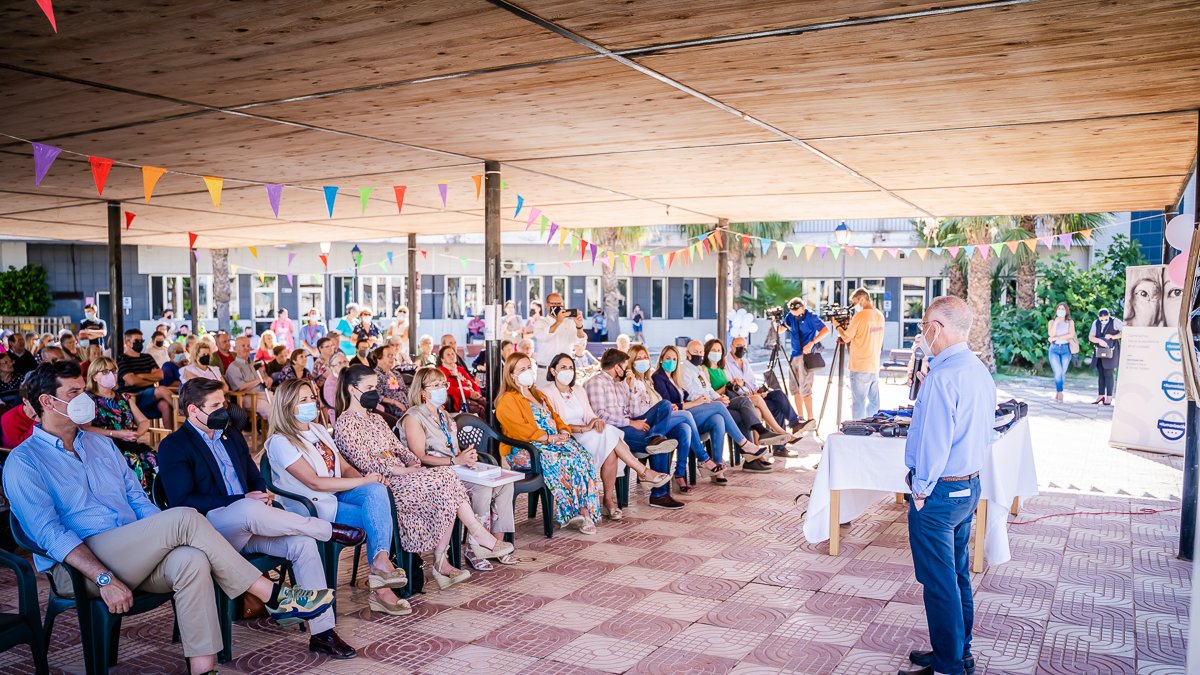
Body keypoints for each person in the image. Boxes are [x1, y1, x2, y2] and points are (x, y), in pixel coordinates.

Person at [4, 362, 335, 674]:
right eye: (74, 393)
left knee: (190, 559)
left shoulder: (101, 446)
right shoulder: (25, 461)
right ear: (47, 401)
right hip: (82, 565)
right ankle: (275, 597)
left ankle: (203, 669)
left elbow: (138, 500)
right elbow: (50, 535)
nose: (86, 399)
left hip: (132, 551)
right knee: (184, 518)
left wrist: (159, 536)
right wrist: (104, 577)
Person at [158, 378, 366, 659]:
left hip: (252, 524)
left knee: (302, 544)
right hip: (212, 530)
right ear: (194, 411)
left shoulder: (229, 435)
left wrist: (258, 493)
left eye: (225, 403)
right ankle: (327, 529)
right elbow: (183, 501)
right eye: (216, 406)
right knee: (247, 509)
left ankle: (323, 633)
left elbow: (254, 476)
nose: (225, 410)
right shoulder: (174, 445)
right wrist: (241, 500)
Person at [333, 365, 513, 588]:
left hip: (404, 475)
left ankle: (445, 559)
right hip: (384, 484)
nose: (374, 393)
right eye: (369, 388)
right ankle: (460, 550)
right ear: (352, 389)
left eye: (375, 387)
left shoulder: (376, 419)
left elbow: (397, 447)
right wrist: (402, 470)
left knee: (447, 483)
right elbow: (365, 463)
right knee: (446, 480)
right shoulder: (346, 422)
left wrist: (411, 461)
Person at [901, 296, 995, 675]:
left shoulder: (942, 377)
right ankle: (957, 651)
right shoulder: (978, 369)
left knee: (939, 583)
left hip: (939, 494)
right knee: (956, 576)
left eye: (924, 327)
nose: (922, 335)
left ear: (936, 328)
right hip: (967, 487)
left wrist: (920, 491)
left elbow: (934, 442)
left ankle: (949, 666)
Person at [264, 379, 412, 616]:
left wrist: (366, 481)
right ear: (287, 405)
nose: (311, 403)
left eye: (312, 398)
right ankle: (381, 587)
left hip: (334, 499)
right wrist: (364, 480)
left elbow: (343, 466)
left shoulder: (318, 430)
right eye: (303, 400)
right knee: (378, 519)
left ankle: (380, 563)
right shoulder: (281, 442)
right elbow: (314, 482)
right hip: (311, 508)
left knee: (377, 493)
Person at [399, 366, 518, 571]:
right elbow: (418, 457)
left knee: (505, 485)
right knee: (483, 488)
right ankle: (475, 547)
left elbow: (452, 449)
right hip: (434, 475)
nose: (441, 389)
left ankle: (496, 543)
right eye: (435, 385)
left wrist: (467, 457)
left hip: (455, 468)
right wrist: (455, 461)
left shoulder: (444, 415)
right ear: (422, 391)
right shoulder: (414, 417)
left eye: (443, 384)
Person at [546, 352, 670, 518]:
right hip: (570, 435)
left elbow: (590, 414)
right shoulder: (547, 392)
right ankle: (642, 471)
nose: (568, 371)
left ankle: (609, 499)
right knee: (610, 433)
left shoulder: (578, 390)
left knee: (610, 446)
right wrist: (584, 427)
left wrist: (595, 421)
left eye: (570, 367)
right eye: (563, 367)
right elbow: (554, 424)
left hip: (590, 431)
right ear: (553, 371)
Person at [495, 352, 601, 533]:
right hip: (525, 449)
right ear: (511, 374)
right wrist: (548, 438)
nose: (528, 371)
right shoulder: (507, 399)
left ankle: (582, 510)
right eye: (522, 369)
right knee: (565, 460)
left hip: (551, 443)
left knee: (583, 457)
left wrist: (563, 431)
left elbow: (556, 417)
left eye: (529, 367)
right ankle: (572, 511)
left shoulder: (538, 394)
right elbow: (519, 429)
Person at [654, 345, 767, 476]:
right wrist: (699, 401)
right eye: (668, 358)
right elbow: (670, 405)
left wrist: (717, 397)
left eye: (674, 359)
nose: (672, 362)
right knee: (719, 407)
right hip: (681, 416)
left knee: (718, 419)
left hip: (692, 410)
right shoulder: (659, 377)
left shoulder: (675, 376)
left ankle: (717, 466)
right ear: (661, 359)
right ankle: (744, 443)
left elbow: (696, 393)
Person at [627, 344, 720, 501]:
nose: (643, 361)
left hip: (660, 420)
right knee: (683, 414)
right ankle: (704, 458)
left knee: (685, 428)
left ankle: (680, 474)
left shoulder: (648, 380)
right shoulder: (636, 380)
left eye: (645, 358)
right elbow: (637, 409)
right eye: (639, 358)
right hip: (647, 423)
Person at [683, 339, 789, 450]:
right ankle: (756, 444)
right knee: (748, 405)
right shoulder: (700, 369)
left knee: (773, 398)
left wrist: (726, 392)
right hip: (714, 405)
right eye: (713, 350)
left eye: (719, 350)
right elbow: (696, 393)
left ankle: (759, 450)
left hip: (727, 399)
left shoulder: (718, 368)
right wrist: (722, 393)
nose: (716, 352)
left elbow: (709, 390)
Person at [82, 356, 157, 492]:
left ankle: (157, 498)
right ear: (94, 377)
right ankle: (140, 499)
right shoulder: (88, 399)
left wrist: (137, 433)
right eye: (104, 372)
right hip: (104, 447)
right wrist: (116, 434)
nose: (110, 375)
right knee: (132, 461)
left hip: (129, 443)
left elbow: (144, 421)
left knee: (153, 458)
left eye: (113, 371)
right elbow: (85, 428)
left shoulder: (123, 397)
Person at [725, 335, 812, 442]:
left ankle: (794, 423)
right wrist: (748, 389)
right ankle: (781, 444)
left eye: (744, 346)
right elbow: (732, 387)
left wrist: (760, 390)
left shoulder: (745, 362)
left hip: (756, 395)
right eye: (738, 346)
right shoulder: (726, 363)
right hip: (745, 399)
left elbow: (752, 382)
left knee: (778, 394)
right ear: (731, 346)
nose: (741, 348)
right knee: (776, 407)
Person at [837, 289, 886, 420]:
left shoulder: (860, 316)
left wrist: (837, 326)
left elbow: (846, 337)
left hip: (860, 366)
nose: (854, 307)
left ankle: (858, 431)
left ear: (862, 299)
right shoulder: (879, 316)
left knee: (858, 403)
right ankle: (872, 427)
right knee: (874, 402)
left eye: (854, 303)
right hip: (874, 365)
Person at [778, 298, 829, 423]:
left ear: (802, 307)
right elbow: (780, 330)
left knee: (805, 390)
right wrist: (776, 323)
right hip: (793, 356)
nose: (794, 313)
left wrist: (812, 343)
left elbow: (825, 330)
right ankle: (800, 418)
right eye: (792, 310)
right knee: (794, 389)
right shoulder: (790, 316)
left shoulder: (811, 316)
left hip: (806, 357)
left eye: (796, 310)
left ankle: (811, 419)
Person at [117, 329, 174, 429]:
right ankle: (182, 412)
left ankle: (172, 438)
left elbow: (160, 375)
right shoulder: (122, 359)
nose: (140, 344)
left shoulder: (147, 357)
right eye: (136, 341)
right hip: (132, 398)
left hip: (150, 396)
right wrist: (151, 379)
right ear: (127, 342)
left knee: (165, 405)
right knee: (162, 390)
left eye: (141, 341)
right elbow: (131, 381)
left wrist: (141, 376)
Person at [225, 335, 272, 423]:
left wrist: (269, 380)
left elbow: (265, 378)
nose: (247, 348)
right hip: (248, 397)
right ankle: (278, 435)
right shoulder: (233, 367)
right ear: (235, 349)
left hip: (265, 394)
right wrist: (259, 380)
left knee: (283, 407)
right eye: (243, 346)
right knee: (271, 411)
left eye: (248, 345)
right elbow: (240, 387)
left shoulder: (254, 364)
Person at [532, 292, 586, 367]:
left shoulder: (570, 323)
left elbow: (580, 343)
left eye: (559, 304)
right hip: (544, 369)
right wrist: (558, 322)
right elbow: (543, 337)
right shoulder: (540, 323)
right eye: (553, 304)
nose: (557, 306)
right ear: (546, 305)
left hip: (565, 369)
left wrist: (579, 325)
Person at [438, 344, 485, 417]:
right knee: (480, 409)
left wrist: (477, 393)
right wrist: (469, 394)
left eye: (453, 354)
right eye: (448, 355)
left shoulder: (460, 369)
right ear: (442, 359)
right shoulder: (441, 371)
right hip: (459, 399)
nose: (451, 356)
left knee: (488, 404)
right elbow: (449, 389)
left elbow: (473, 382)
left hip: (471, 394)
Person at [1088, 308, 1123, 406]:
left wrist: (1113, 337)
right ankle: (1100, 395)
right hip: (1099, 351)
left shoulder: (1116, 321)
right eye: (1101, 319)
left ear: (1109, 315)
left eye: (1105, 319)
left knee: (1108, 373)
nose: (1103, 321)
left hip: (1111, 351)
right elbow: (1091, 337)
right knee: (1101, 373)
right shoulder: (1096, 323)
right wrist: (1099, 341)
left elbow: (1124, 332)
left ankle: (1109, 397)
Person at [1046, 301, 1078, 402]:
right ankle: (1060, 392)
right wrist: (1056, 322)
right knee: (1058, 371)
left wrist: (1057, 337)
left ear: (1066, 311)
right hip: (1054, 349)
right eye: (1059, 309)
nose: (1061, 311)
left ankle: (1058, 391)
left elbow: (1071, 335)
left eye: (1063, 309)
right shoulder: (1051, 322)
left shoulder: (1070, 322)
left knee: (1063, 372)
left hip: (1065, 349)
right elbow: (1051, 335)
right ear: (1056, 310)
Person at [373, 345, 407, 422]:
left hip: (407, 408)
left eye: (393, 355)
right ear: (379, 358)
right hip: (393, 412)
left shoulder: (396, 373)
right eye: (389, 356)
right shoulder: (375, 375)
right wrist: (394, 402)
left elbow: (405, 390)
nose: (393, 358)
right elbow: (376, 396)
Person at [322, 352, 349, 423]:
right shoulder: (330, 384)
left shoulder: (347, 377)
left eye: (345, 362)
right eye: (339, 363)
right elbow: (336, 404)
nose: (343, 365)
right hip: (340, 417)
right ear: (332, 367)